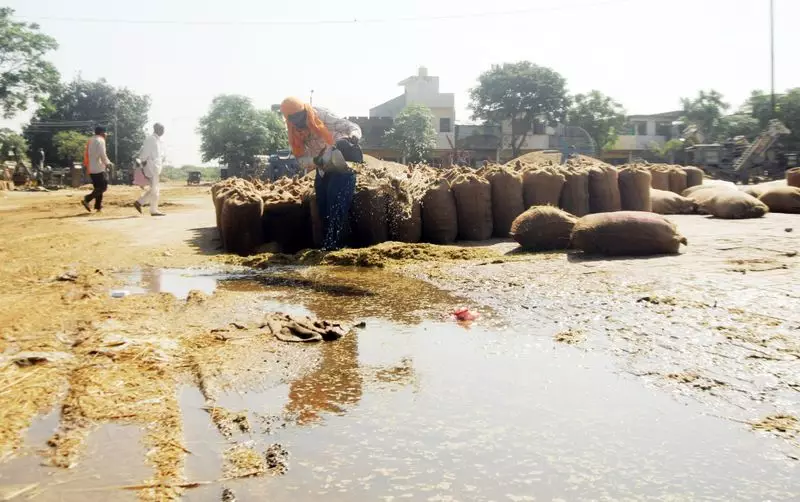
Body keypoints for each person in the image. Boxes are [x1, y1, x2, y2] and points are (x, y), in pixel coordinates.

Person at [280, 97, 363, 250]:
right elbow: (301, 160)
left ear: (305, 110)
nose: (300, 121)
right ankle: (328, 243)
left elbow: (351, 126)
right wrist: (316, 161)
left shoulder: (321, 115)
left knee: (335, 199)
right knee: (322, 204)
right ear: (289, 119)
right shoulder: (293, 131)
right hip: (322, 166)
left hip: (341, 161)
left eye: (301, 116)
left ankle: (336, 245)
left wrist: (354, 136)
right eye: (294, 119)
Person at [134, 123, 166, 216]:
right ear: (157, 129)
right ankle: (153, 210)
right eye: (161, 129)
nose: (163, 131)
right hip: (150, 166)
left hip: (155, 166)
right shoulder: (151, 139)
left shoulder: (158, 140)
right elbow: (145, 152)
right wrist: (143, 162)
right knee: (155, 189)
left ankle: (140, 202)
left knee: (154, 188)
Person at [82, 126, 112, 213]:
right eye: (106, 133)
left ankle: (98, 207)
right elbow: (102, 154)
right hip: (99, 167)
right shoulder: (101, 140)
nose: (106, 135)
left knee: (98, 188)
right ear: (102, 133)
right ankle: (87, 199)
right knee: (103, 187)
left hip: (91, 167)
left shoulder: (91, 140)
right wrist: (108, 163)